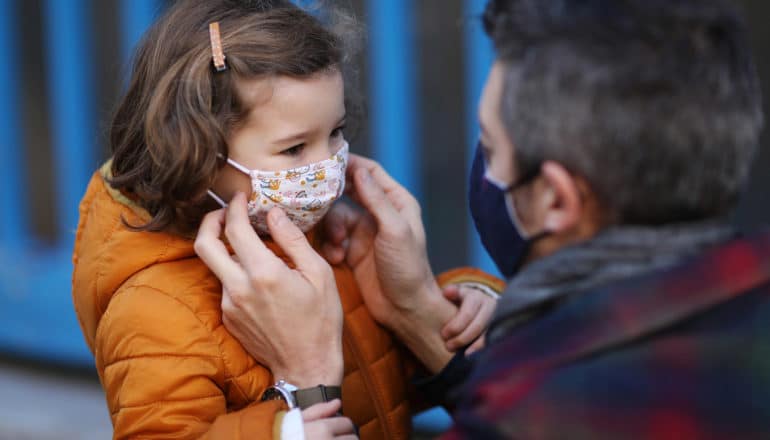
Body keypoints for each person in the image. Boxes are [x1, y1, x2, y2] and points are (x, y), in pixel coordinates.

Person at [195, 0, 770, 438]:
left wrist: (307, 375)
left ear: (556, 201)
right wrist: (420, 313)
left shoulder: (544, 415)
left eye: (491, 150)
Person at [70, 0, 503, 438]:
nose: (327, 166)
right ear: (196, 153)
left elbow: (382, 380)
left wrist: (443, 307)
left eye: (335, 132)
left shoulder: (325, 238)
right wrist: (287, 427)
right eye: (295, 149)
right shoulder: (156, 308)